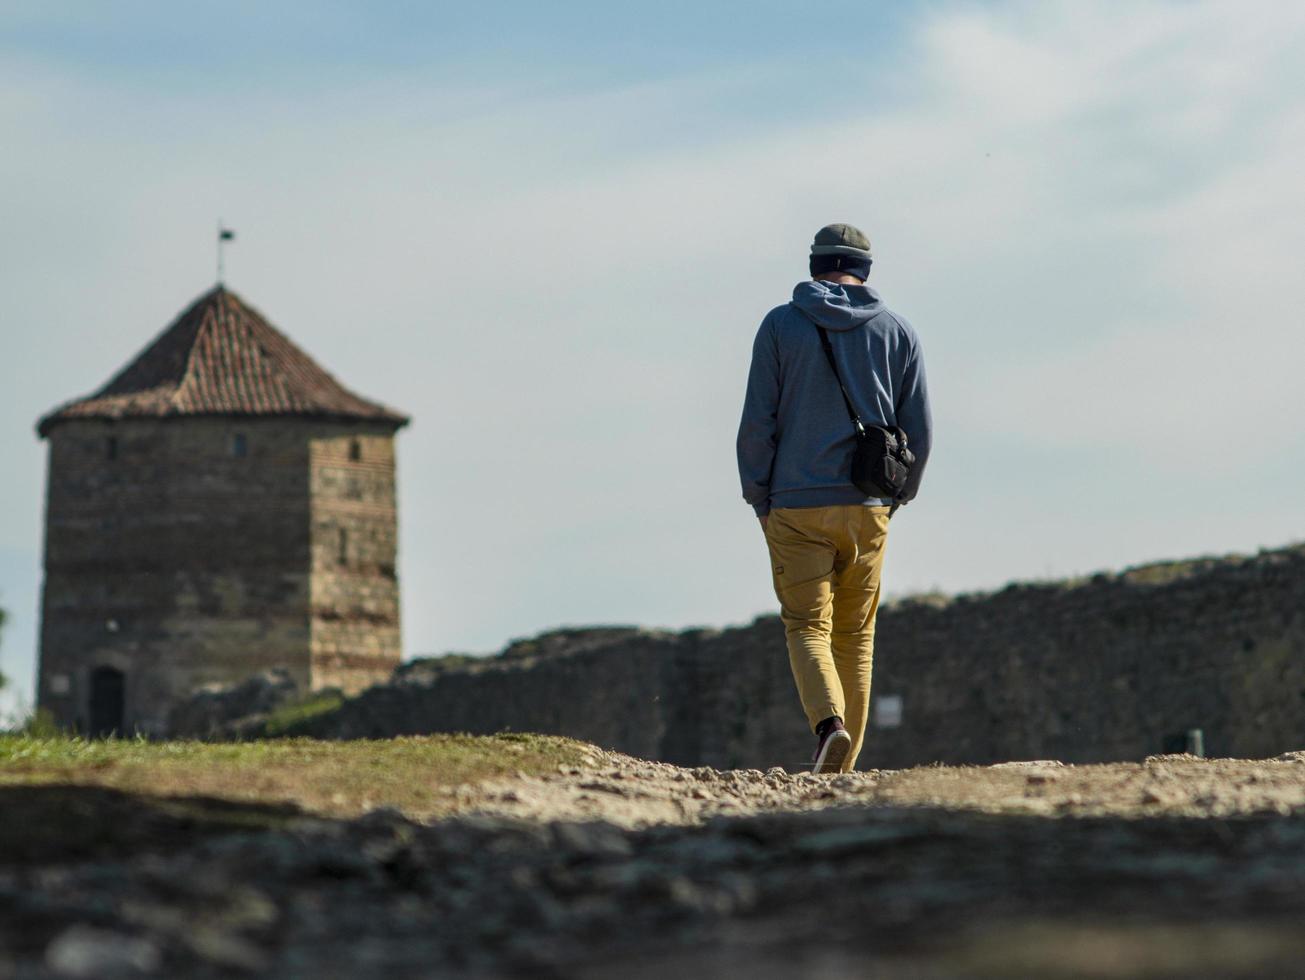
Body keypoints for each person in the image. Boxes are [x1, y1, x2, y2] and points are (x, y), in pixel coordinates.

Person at [736, 222, 932, 774]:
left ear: (814, 266)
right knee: (856, 637)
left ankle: (829, 727)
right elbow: (920, 430)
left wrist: (759, 496)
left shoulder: (779, 326)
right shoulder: (899, 332)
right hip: (870, 505)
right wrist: (900, 498)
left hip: (795, 503)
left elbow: (758, 422)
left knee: (806, 626)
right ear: (864, 269)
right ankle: (842, 773)